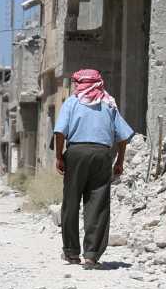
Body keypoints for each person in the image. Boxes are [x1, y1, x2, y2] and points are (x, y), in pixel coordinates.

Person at [53, 68, 134, 267]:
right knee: (97, 205)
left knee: (71, 202)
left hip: (76, 153)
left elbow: (59, 132)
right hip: (102, 154)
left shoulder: (72, 102)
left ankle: (71, 253)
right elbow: (123, 136)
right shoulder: (109, 103)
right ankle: (91, 255)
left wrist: (59, 157)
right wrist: (119, 161)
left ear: (79, 84)